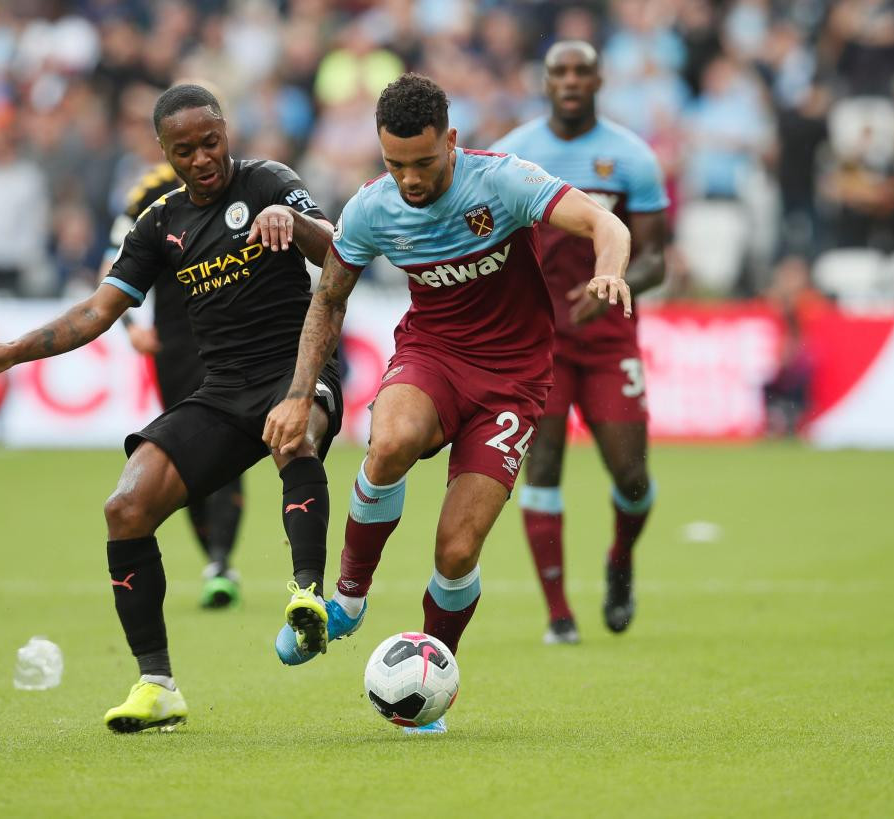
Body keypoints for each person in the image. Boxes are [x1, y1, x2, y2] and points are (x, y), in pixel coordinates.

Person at [0, 84, 343, 733]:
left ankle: (307, 595)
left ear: (226, 132)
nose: (203, 158)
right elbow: (98, 311)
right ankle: (156, 684)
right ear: (165, 152)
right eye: (185, 150)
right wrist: (13, 350)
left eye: (211, 142)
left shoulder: (271, 181)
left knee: (292, 436)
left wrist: (295, 226)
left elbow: (339, 250)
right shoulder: (160, 221)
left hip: (296, 368)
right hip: (219, 389)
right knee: (125, 507)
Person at [263, 73, 632, 731]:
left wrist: (609, 268)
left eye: (423, 162)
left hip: (515, 381)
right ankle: (348, 597)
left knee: (457, 550)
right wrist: (297, 394)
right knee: (390, 441)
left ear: (452, 142)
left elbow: (604, 222)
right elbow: (330, 296)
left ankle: (431, 672)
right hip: (432, 354)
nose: (408, 178)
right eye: (394, 163)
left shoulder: (503, 182)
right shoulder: (373, 207)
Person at [491, 41, 668, 645]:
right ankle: (558, 615)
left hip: (608, 336)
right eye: (558, 72)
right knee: (541, 466)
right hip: (537, 343)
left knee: (632, 477)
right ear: (545, 82)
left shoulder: (632, 157)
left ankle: (620, 561)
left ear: (598, 79)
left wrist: (613, 279)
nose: (570, 81)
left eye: (580, 71)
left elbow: (657, 261)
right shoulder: (515, 153)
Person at [101, 161, 245, 610]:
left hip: (233, 338)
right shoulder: (151, 191)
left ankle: (220, 561)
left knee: (227, 449)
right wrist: (130, 325)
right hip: (176, 344)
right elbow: (112, 266)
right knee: (187, 454)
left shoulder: (245, 182)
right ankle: (216, 561)